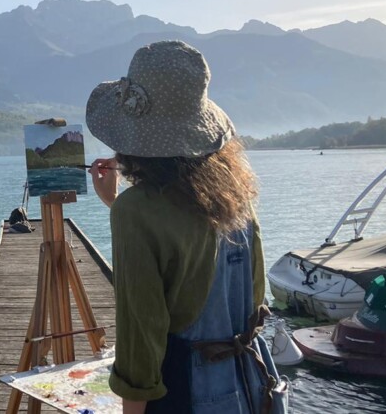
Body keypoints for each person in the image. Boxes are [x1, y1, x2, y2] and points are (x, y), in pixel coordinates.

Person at [84, 41, 287, 413]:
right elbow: (254, 295)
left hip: (185, 395)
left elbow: (141, 337)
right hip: (250, 386)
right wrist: (115, 203)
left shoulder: (136, 211)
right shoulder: (234, 193)